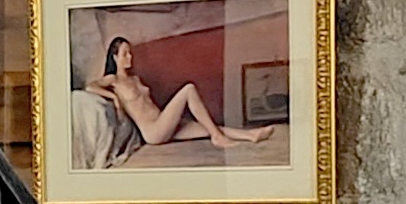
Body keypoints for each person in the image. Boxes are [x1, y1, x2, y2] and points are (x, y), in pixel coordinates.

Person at [87, 32, 270, 162]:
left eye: (130, 53)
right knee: (189, 89)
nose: (130, 57)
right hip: (153, 131)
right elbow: (90, 86)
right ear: (115, 57)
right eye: (125, 54)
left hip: (164, 122)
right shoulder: (113, 80)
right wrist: (114, 98)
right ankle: (218, 138)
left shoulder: (135, 78)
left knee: (208, 126)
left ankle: (251, 135)